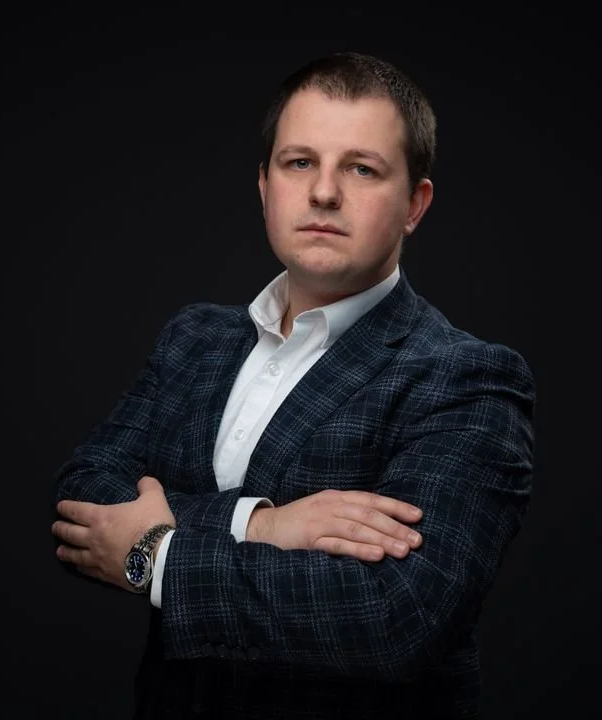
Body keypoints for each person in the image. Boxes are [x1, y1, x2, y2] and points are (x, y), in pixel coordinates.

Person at [51, 51, 535, 719]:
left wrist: (156, 557)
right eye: (299, 162)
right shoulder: (194, 340)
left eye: (361, 169)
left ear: (414, 205)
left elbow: (393, 614)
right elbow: (83, 498)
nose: (324, 192)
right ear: (264, 186)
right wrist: (265, 525)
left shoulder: (465, 378)